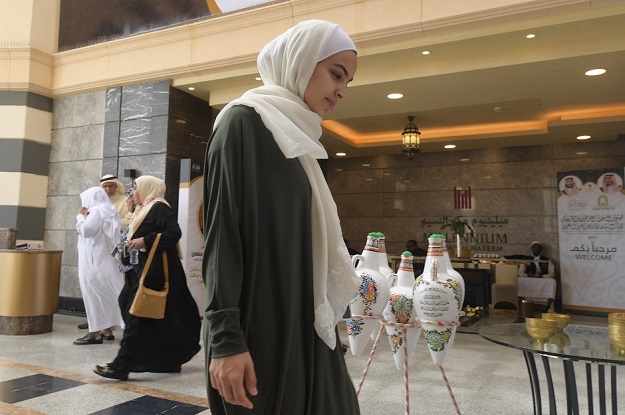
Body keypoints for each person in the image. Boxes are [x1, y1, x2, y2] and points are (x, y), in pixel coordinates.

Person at [202, 20, 360, 414]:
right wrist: (226, 339)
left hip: (308, 320)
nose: (341, 90)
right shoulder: (244, 123)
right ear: (301, 61)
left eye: (348, 82)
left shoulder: (300, 140)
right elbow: (223, 237)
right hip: (261, 325)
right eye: (336, 74)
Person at [94, 175, 201, 380]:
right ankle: (169, 360)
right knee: (136, 306)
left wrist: (146, 240)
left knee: (137, 316)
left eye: (135, 189)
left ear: (147, 188)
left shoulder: (159, 207)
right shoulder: (143, 209)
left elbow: (173, 233)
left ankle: (121, 365)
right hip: (142, 269)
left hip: (157, 271)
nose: (132, 193)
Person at [78, 174, 134, 330]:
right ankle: (101, 323)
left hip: (106, 252)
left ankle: (104, 324)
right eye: (105, 187)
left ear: (117, 186)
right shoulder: (105, 208)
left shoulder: (108, 207)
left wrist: (80, 217)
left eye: (111, 186)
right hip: (105, 252)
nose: (108, 190)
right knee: (104, 289)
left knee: (103, 288)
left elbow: (87, 230)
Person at [74, 187, 125, 345]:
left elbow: (87, 230)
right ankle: (106, 330)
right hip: (104, 259)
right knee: (107, 294)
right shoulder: (109, 211)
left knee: (93, 295)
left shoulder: (96, 212)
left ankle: (94, 332)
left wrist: (79, 216)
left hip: (92, 261)